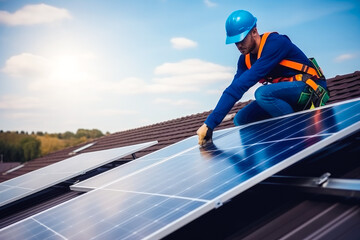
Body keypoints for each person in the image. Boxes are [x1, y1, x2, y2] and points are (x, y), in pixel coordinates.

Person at [197, 10, 329, 145]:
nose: (239, 46)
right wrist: (209, 125)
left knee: (263, 94)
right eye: (235, 42)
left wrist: (211, 122)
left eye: (241, 39)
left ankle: (296, 139)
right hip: (286, 94)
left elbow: (243, 84)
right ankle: (266, 154)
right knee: (241, 118)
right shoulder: (245, 60)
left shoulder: (275, 43)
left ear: (254, 31)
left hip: (310, 88)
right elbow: (234, 88)